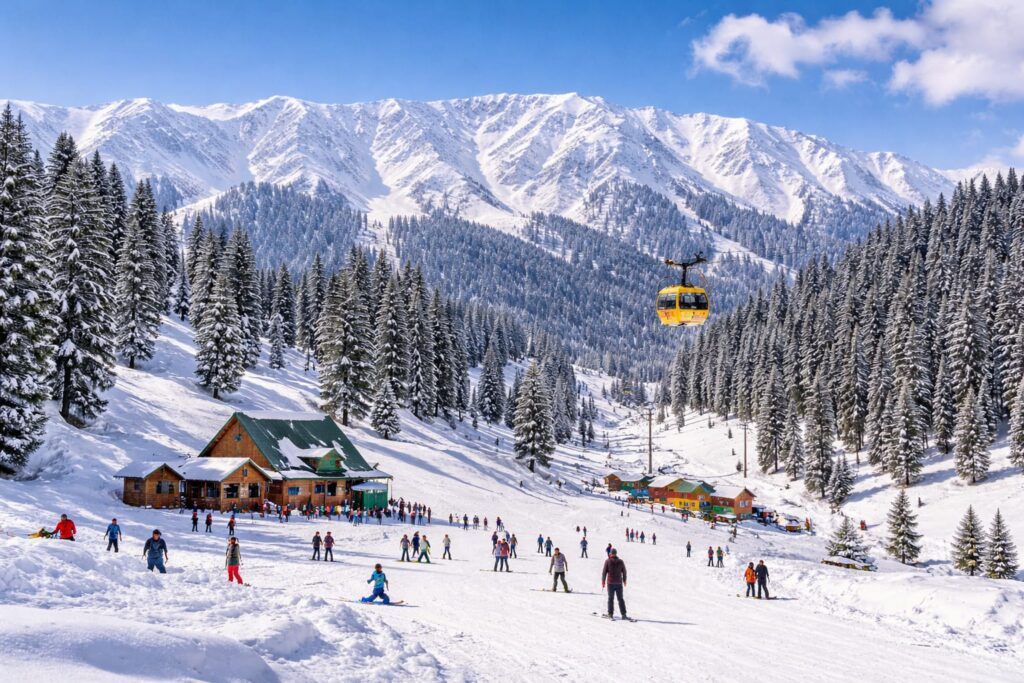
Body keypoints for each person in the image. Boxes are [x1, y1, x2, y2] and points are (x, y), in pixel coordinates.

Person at [601, 548, 627, 619]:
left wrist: (603, 582)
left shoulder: (608, 561)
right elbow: (624, 571)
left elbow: (604, 573)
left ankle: (610, 614)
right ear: (616, 553)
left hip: (610, 583)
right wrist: (624, 580)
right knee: (620, 599)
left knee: (610, 598)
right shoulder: (621, 561)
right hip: (619, 583)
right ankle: (624, 614)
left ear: (611, 554)